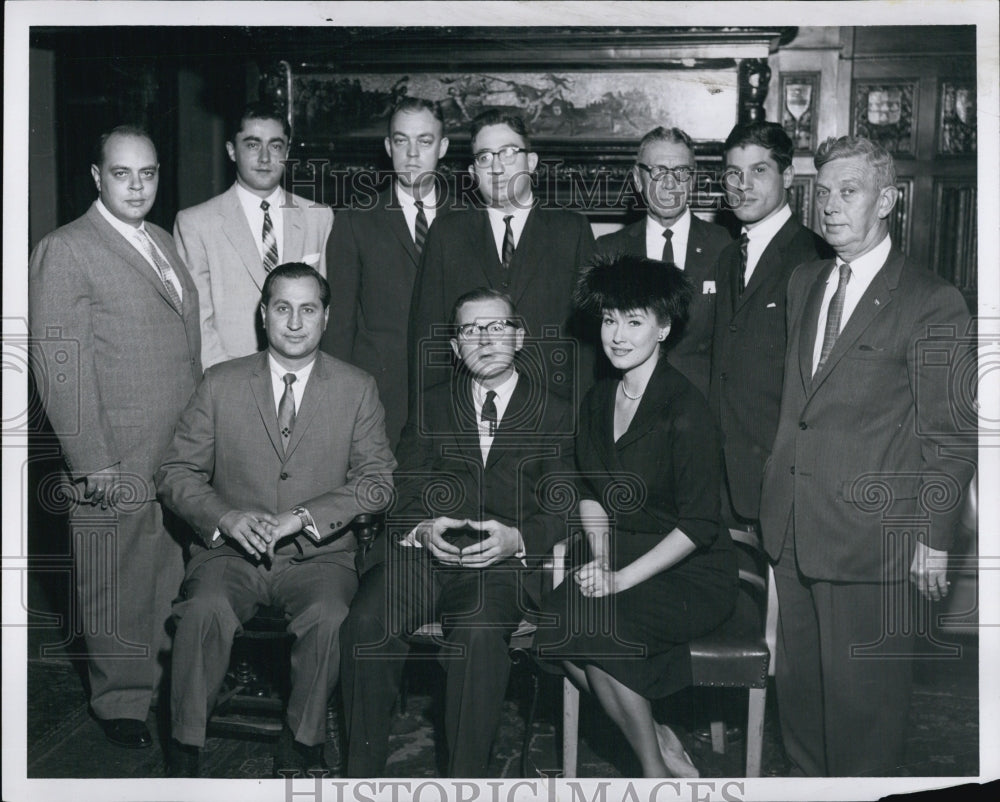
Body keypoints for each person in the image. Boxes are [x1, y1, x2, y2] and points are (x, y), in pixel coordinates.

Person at [759, 136, 975, 776]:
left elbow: (952, 432)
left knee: (863, 725)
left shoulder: (931, 300)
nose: (829, 206)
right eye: (821, 192)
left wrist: (934, 538)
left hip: (872, 541)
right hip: (794, 529)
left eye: (847, 192)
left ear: (887, 200)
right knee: (800, 712)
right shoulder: (805, 281)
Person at [155, 263, 395, 777]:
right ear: (264, 314)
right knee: (205, 611)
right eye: (282, 308)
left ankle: (303, 736)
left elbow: (377, 482)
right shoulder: (220, 383)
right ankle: (184, 740)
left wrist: (304, 517)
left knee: (330, 617)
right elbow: (176, 473)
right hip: (230, 553)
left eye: (308, 309)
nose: (294, 322)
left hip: (319, 556)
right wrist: (225, 516)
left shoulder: (357, 388)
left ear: (326, 318)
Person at [341, 288, 575, 777]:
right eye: (470, 330)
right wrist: (423, 529)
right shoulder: (431, 404)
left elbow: (564, 502)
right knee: (366, 621)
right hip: (423, 559)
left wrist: (518, 539)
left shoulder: (555, 411)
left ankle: (465, 782)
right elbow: (403, 491)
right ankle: (359, 775)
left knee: (478, 630)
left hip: (500, 567)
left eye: (497, 327)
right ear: (453, 347)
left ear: (519, 336)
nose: (485, 340)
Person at [29, 124, 202, 749]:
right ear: (97, 177)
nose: (137, 185)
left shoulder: (160, 240)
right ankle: (120, 703)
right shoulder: (67, 248)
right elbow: (59, 362)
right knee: (114, 579)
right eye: (123, 173)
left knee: (163, 571)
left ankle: (156, 685)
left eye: (148, 173)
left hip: (174, 447)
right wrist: (92, 461)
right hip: (113, 452)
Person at [534, 254, 738, 778]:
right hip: (624, 552)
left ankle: (654, 774)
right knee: (556, 621)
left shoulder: (686, 410)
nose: (617, 336)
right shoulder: (600, 398)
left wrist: (620, 579)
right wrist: (601, 558)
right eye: (609, 319)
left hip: (691, 570)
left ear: (663, 328)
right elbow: (590, 490)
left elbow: (698, 525)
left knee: (603, 632)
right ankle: (662, 736)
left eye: (634, 321)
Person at [408, 109, 595, 412]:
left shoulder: (571, 230)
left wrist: (583, 419)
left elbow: (589, 342)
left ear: (531, 163)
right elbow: (428, 332)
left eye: (507, 153)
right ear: (472, 173)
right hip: (466, 414)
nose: (496, 167)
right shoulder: (447, 233)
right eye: (484, 157)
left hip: (553, 415)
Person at [710, 121, 832, 526]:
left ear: (789, 177)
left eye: (759, 171)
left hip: (781, 478)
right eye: (733, 173)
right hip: (723, 478)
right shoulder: (728, 257)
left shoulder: (817, 258)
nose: (742, 185)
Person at [322, 97, 450, 447]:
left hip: (455, 393)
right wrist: (339, 403)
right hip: (380, 397)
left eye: (424, 141)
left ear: (442, 147)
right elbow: (339, 326)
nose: (412, 153)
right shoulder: (355, 220)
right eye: (400, 140)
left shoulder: (469, 217)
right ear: (387, 146)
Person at [174, 102, 334, 368]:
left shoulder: (319, 217)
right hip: (228, 375)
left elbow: (323, 309)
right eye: (252, 144)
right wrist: (227, 382)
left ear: (288, 151)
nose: (264, 158)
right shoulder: (195, 223)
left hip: (303, 375)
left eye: (275, 145)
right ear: (231, 150)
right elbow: (197, 318)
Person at [594, 127, 731, 398]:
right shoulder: (609, 251)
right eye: (658, 172)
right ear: (637, 179)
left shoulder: (722, 245)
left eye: (681, 172)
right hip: (628, 403)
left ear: (692, 180)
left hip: (699, 406)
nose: (670, 184)